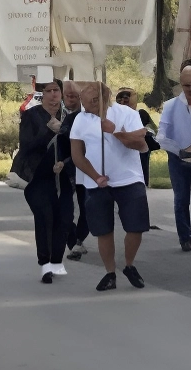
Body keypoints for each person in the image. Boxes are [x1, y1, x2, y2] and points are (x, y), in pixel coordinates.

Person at [69, 82, 150, 292]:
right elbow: (77, 155)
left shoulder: (126, 113)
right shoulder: (80, 119)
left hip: (129, 179)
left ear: (99, 100)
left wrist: (115, 132)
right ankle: (110, 272)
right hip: (97, 182)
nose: (85, 109)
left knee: (136, 226)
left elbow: (141, 144)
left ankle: (129, 264)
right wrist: (95, 177)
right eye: (83, 104)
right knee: (103, 229)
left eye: (87, 104)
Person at [15, 79, 76, 283]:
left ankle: (57, 261)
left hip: (64, 176)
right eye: (48, 91)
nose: (53, 94)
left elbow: (78, 147)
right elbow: (26, 146)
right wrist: (49, 132)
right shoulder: (32, 116)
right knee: (45, 217)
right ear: (43, 94)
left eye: (56, 90)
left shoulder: (69, 116)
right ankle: (45, 264)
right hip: (38, 178)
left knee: (64, 219)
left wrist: (65, 161)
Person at [157, 66, 191, 252]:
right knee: (181, 199)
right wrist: (179, 150)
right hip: (178, 158)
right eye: (187, 85)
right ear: (181, 85)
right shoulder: (171, 106)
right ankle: (185, 237)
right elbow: (161, 137)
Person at [61, 82, 91, 260]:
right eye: (68, 96)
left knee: (85, 206)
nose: (71, 99)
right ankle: (74, 240)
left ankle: (78, 241)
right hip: (63, 169)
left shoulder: (85, 117)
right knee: (63, 209)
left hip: (82, 168)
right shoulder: (55, 112)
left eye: (75, 96)